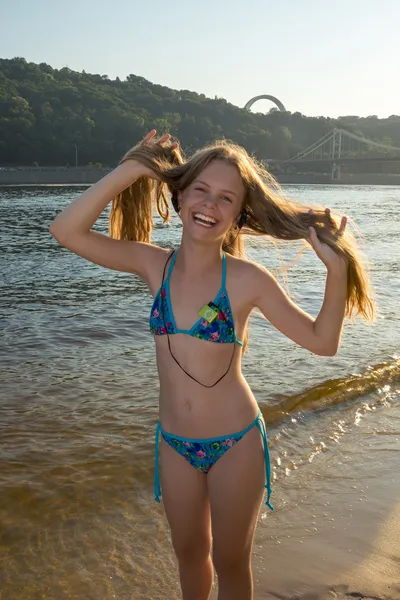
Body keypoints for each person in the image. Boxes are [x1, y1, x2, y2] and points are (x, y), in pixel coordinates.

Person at [49, 130, 374, 600]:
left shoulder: (246, 280)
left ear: (239, 214)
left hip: (235, 442)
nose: (209, 204)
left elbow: (322, 343)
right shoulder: (152, 265)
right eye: (199, 189)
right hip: (174, 442)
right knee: (188, 552)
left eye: (226, 198)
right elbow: (65, 230)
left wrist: (336, 269)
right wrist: (137, 168)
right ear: (179, 195)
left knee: (230, 561)